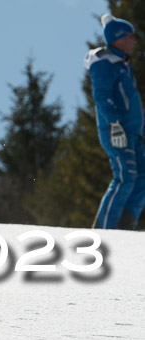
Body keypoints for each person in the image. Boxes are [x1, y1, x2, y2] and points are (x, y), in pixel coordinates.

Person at [85, 14, 145, 230]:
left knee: (142, 178)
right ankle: (103, 231)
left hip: (132, 131)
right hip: (117, 130)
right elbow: (102, 95)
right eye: (131, 36)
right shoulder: (104, 62)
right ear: (119, 37)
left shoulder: (122, 63)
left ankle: (123, 227)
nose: (134, 41)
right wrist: (114, 124)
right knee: (125, 177)